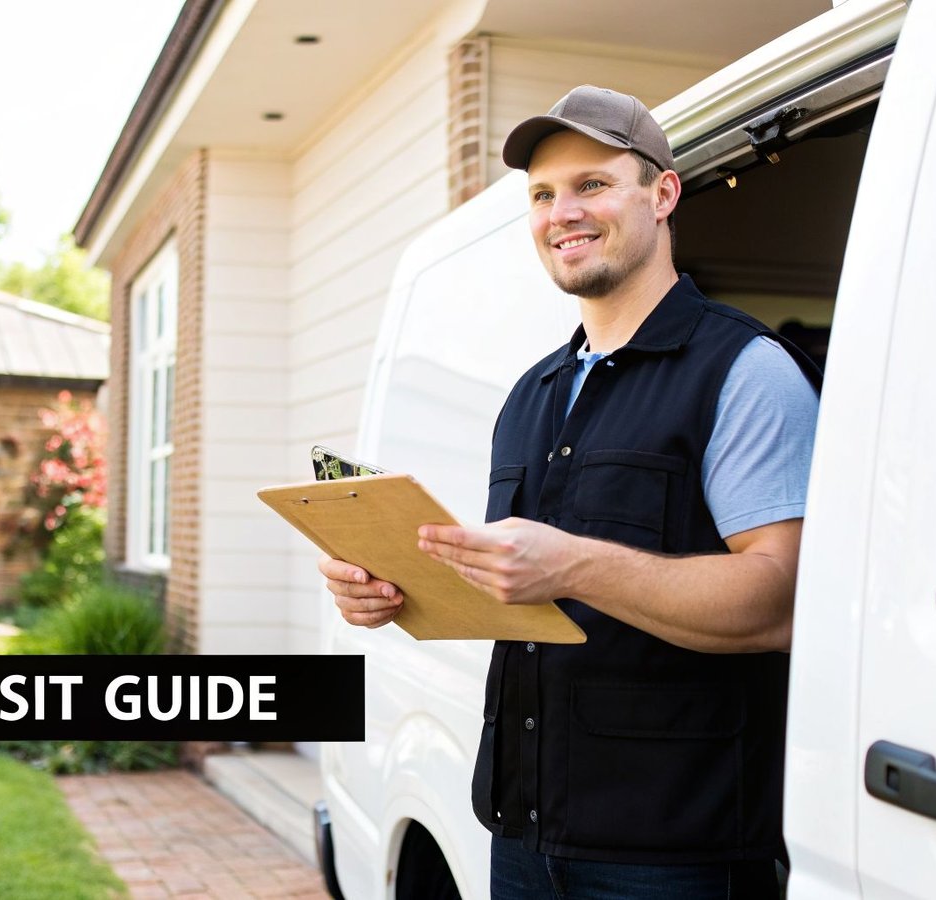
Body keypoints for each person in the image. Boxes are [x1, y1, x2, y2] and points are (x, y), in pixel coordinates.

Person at [319, 85, 820, 899]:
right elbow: (516, 594)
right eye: (543, 195)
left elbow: (784, 602)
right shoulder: (530, 395)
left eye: (592, 184)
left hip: (673, 856)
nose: (563, 213)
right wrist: (389, 591)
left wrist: (577, 567)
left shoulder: (746, 372)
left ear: (662, 194)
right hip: (521, 833)